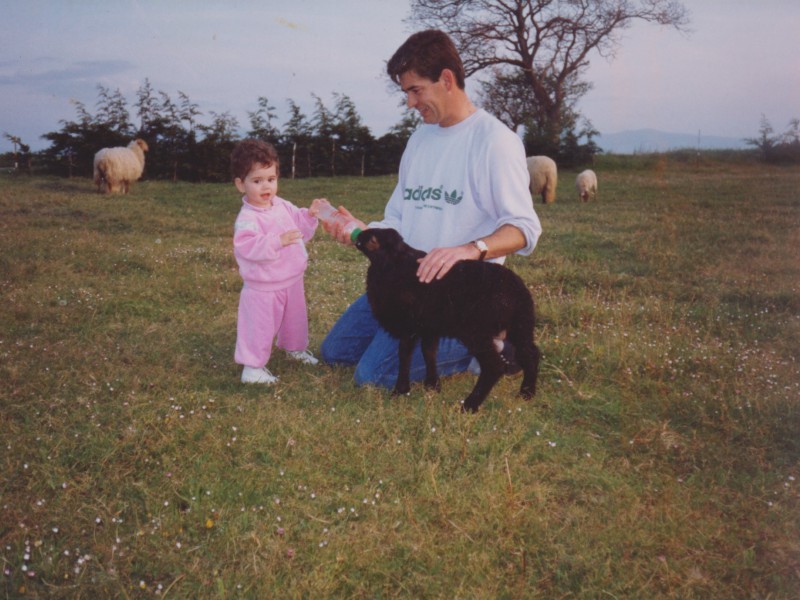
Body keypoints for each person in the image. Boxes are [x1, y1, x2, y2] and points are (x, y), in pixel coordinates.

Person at [318, 29, 542, 388]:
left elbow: (523, 228)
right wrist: (362, 231)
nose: (409, 103)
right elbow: (397, 218)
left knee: (372, 375)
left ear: (447, 79)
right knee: (334, 353)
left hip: (458, 296)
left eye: (415, 90)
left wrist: (471, 250)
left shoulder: (496, 142)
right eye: (405, 92)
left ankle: (490, 346)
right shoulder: (420, 139)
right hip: (405, 282)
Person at [230, 139, 323, 384]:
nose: (266, 186)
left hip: (291, 278)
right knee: (259, 326)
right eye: (257, 181)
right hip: (264, 286)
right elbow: (247, 246)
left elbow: (299, 223)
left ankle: (294, 349)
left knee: (295, 319)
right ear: (241, 184)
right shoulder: (248, 218)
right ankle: (252, 368)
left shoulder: (281, 205)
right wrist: (276, 241)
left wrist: (309, 215)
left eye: (270, 179)